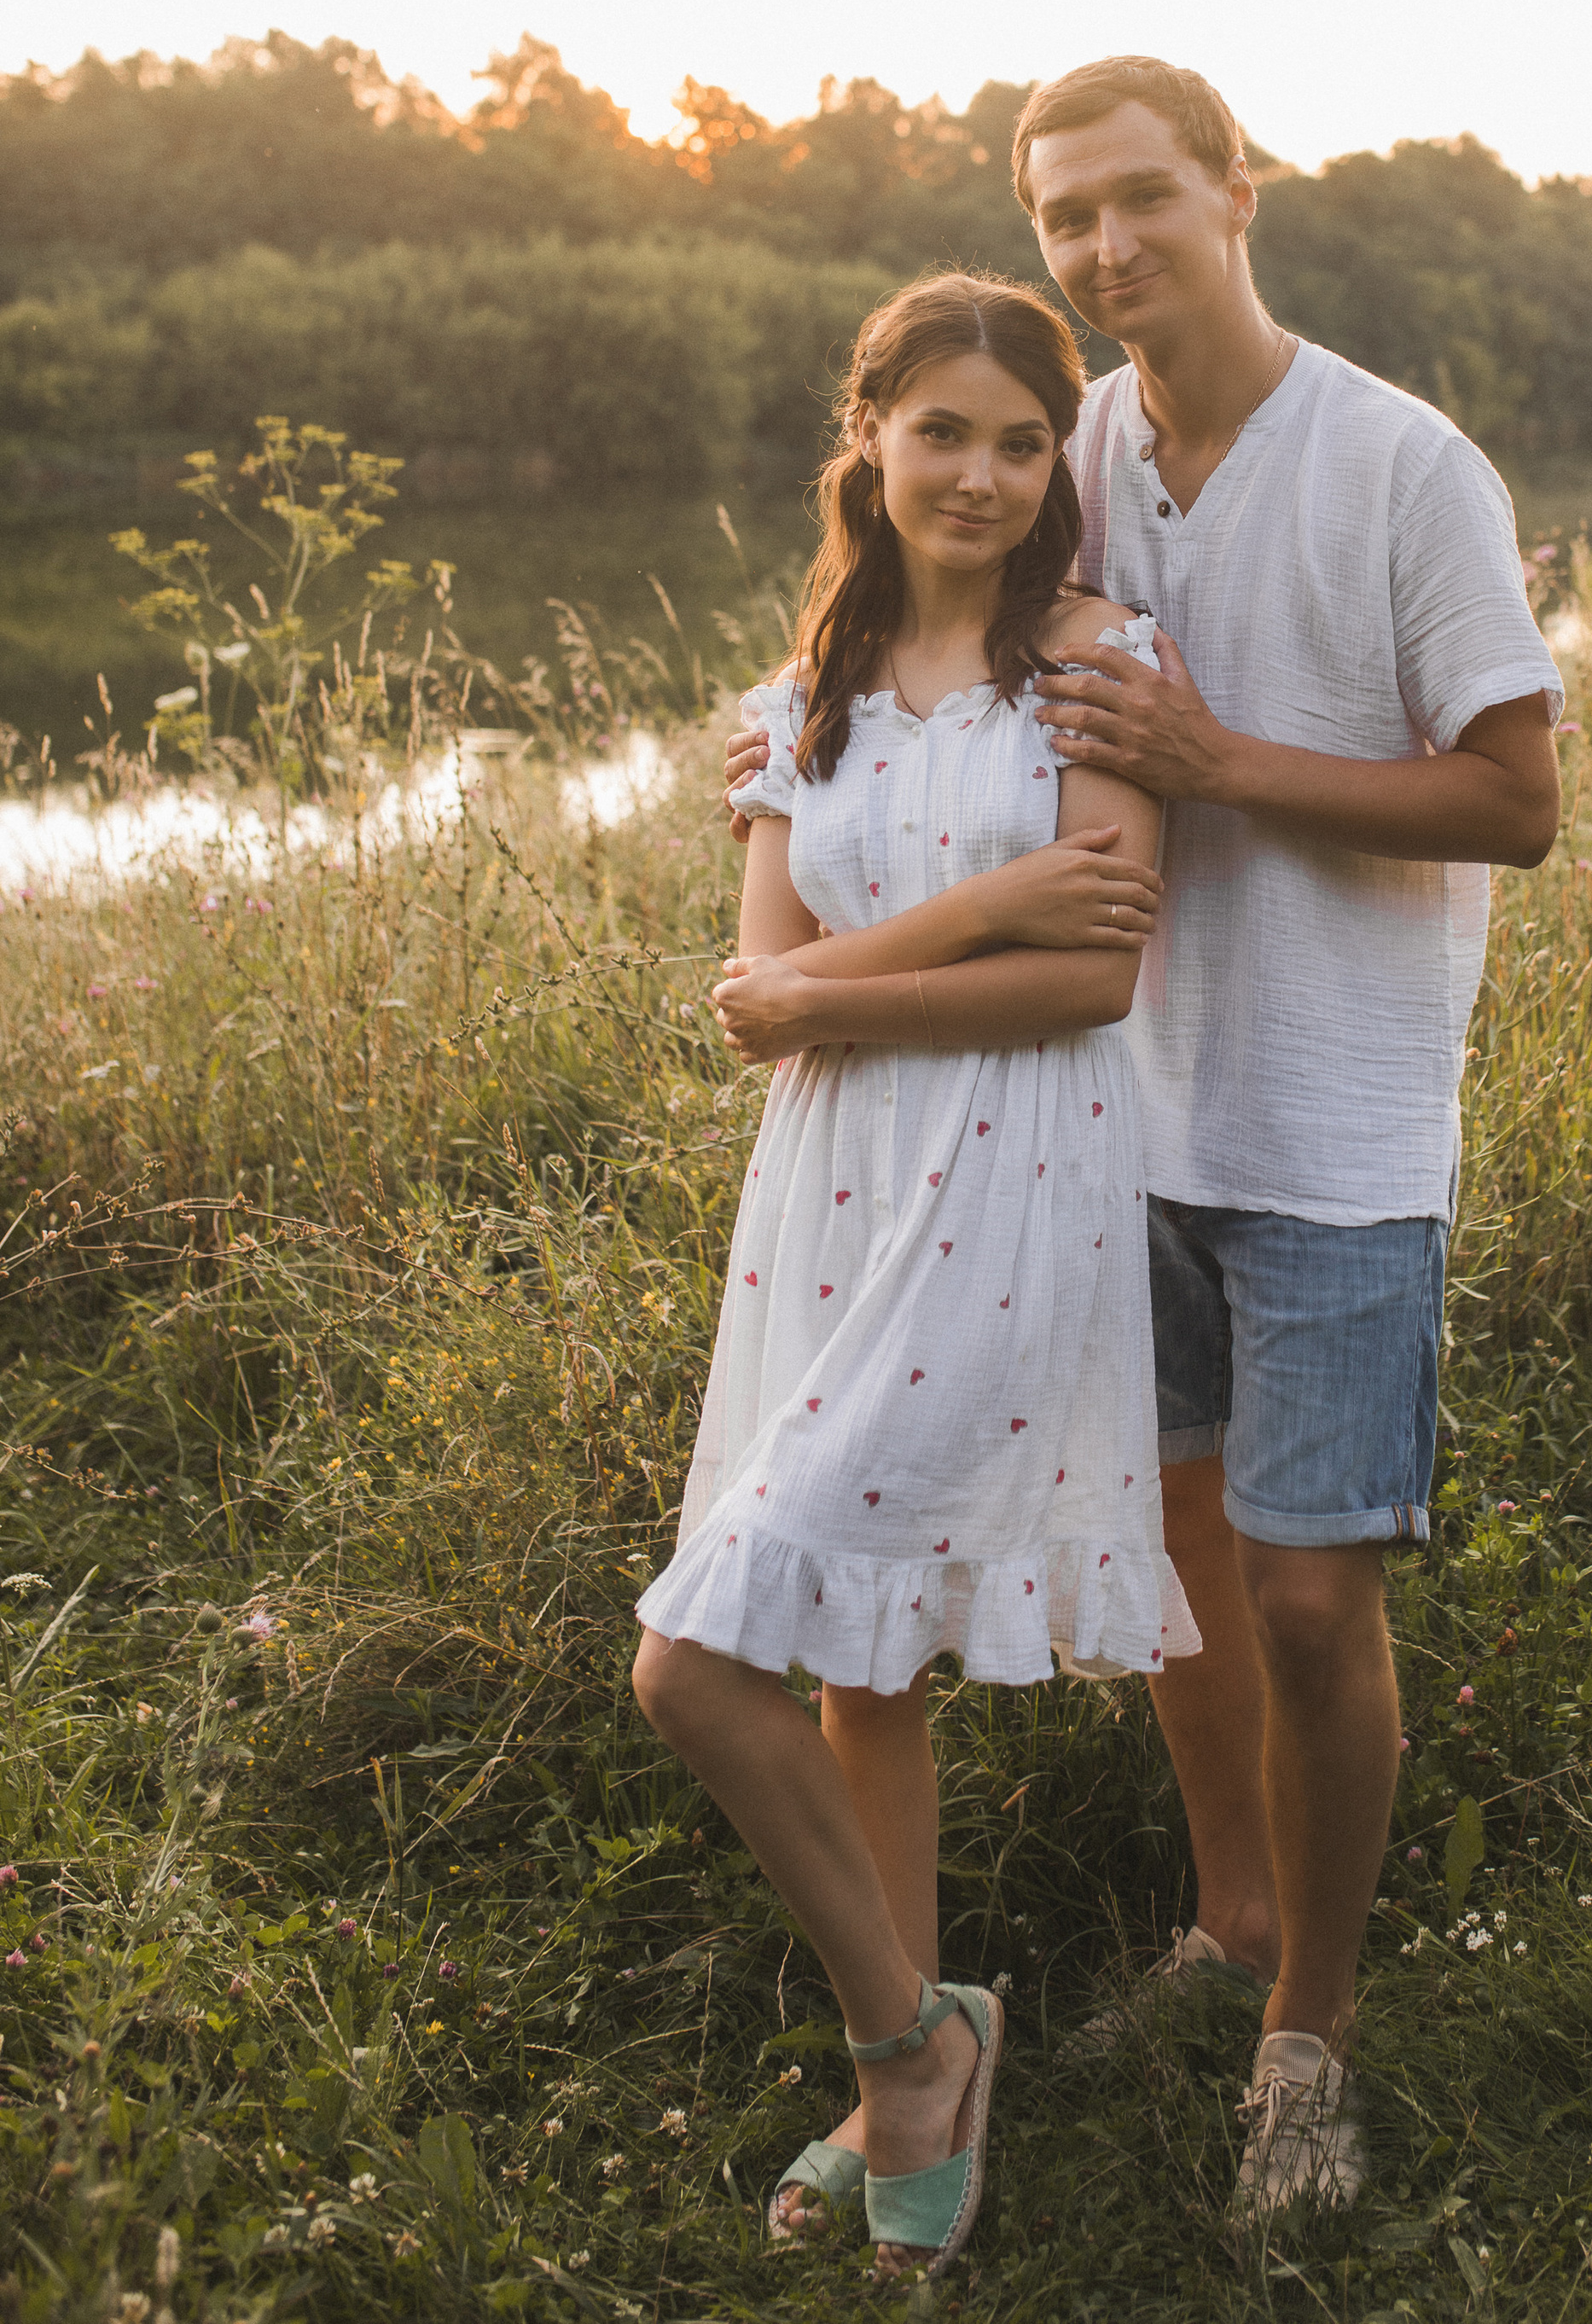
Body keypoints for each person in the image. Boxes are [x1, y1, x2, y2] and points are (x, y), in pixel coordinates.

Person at [722, 58, 1563, 2230]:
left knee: (1301, 1599)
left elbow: (1514, 801)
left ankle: (1314, 2047)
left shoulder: (1400, 462)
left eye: (1138, 204)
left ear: (1233, 193)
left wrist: (1218, 758)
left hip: (1340, 1116)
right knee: (1186, 1578)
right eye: (1063, 216)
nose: (1101, 252)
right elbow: (923, 639)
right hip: (1111, 1129)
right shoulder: (1074, 443)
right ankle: (1231, 1931)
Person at [635, 270, 1197, 2282]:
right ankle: (917, 2050)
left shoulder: (1096, 665)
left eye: (1021, 439)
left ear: (1063, 464)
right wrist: (985, 900)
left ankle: (905, 2045)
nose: (977, 472)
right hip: (835, 1194)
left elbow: (1090, 979)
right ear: (867, 437)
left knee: (690, 1662)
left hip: (1012, 1182)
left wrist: (843, 979)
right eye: (939, 429)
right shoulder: (805, 702)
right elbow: (755, 1012)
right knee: (855, 1665)